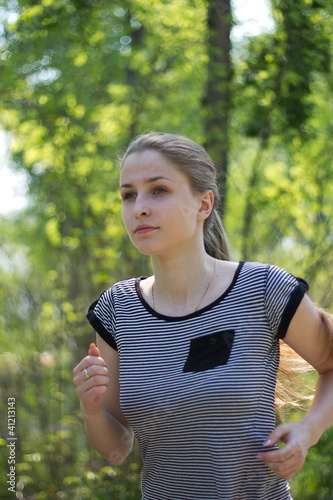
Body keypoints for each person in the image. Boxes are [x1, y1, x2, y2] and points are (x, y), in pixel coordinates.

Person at [73, 132, 333, 500]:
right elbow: (117, 449)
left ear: (204, 204)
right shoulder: (117, 309)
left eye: (158, 190)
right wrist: (91, 409)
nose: (139, 207)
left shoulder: (262, 288)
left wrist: (309, 430)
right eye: (128, 195)